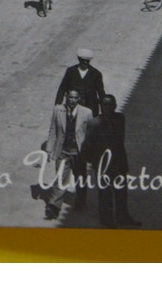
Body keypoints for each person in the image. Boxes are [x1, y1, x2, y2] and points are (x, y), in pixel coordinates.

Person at [41, 88, 94, 218]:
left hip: (79, 153)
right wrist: (49, 150)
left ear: (79, 99)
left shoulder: (87, 112)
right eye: (70, 97)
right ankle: (53, 207)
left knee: (80, 179)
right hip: (63, 151)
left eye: (75, 97)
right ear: (66, 97)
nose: (72, 100)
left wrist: (90, 152)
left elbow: (90, 135)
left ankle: (80, 201)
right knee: (60, 179)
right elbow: (53, 131)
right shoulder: (58, 110)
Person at [89, 95, 141, 227]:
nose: (107, 107)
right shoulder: (95, 122)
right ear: (101, 107)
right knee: (105, 195)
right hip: (103, 166)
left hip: (119, 163)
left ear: (115, 106)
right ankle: (107, 222)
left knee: (121, 193)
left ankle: (123, 217)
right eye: (105, 105)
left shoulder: (120, 118)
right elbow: (88, 145)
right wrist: (95, 164)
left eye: (110, 105)